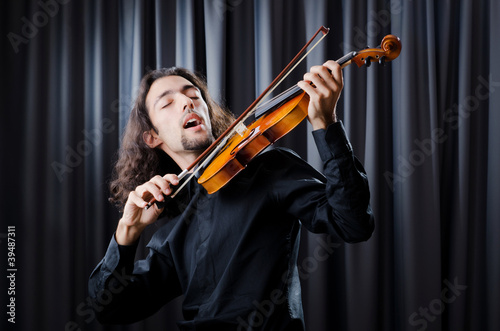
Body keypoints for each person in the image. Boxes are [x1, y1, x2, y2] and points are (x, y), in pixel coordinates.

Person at [88, 62, 374, 330]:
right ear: (152, 137)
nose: (188, 102)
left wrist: (327, 124)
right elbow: (110, 309)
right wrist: (127, 231)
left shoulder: (268, 168)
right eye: (168, 102)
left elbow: (352, 222)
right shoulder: (172, 224)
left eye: (194, 95)